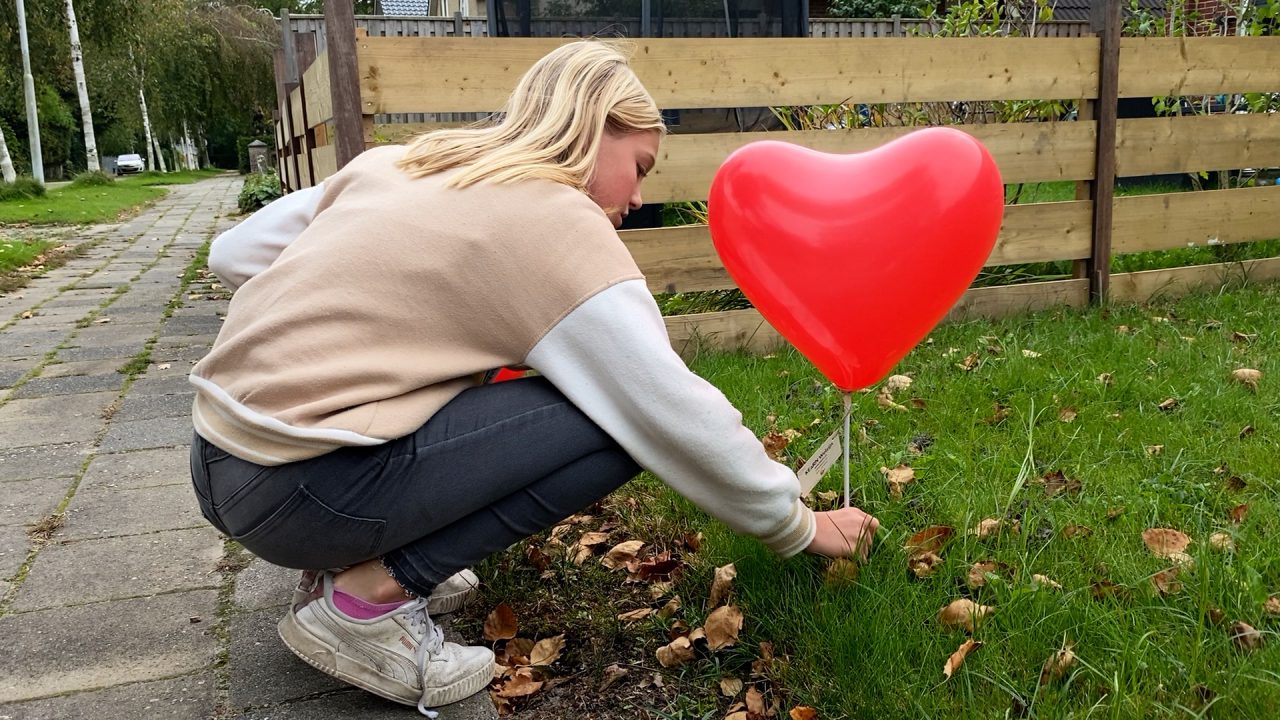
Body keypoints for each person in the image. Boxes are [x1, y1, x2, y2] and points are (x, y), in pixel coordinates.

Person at [189, 39, 880, 717]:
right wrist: (801, 527)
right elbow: (669, 409)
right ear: (594, 126)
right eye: (639, 165)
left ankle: (357, 557)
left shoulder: (409, 163)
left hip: (219, 458)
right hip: (301, 494)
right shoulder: (555, 221)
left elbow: (236, 251)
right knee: (611, 425)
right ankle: (370, 598)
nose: (639, 196)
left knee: (545, 392)